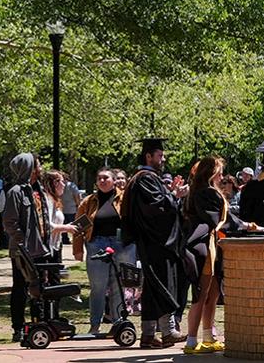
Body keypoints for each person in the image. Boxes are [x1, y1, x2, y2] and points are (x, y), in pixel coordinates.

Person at [182, 156, 260, 354]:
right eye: (220, 171)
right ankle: (191, 341)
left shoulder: (202, 191)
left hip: (213, 247)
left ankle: (208, 337)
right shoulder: (205, 193)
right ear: (212, 173)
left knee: (213, 292)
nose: (222, 175)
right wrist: (247, 226)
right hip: (205, 247)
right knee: (201, 293)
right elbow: (219, 220)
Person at [121, 137, 184, 349]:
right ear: (148, 156)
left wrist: (172, 194)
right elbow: (156, 208)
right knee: (162, 284)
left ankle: (148, 335)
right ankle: (168, 331)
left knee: (151, 288)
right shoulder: (145, 178)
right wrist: (174, 195)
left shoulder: (146, 178)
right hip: (156, 243)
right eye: (160, 155)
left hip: (152, 243)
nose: (163, 159)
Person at [74, 167, 137, 337]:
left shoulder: (125, 199)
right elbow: (79, 228)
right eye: (99, 178)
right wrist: (77, 249)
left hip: (121, 244)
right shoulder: (89, 202)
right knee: (98, 286)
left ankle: (117, 325)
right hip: (97, 244)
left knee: (119, 286)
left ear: (114, 180)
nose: (102, 181)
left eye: (106, 178)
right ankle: (95, 325)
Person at [2, 152, 52, 342]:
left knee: (40, 287)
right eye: (37, 165)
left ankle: (39, 323)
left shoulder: (39, 189)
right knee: (21, 288)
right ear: (29, 168)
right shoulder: (15, 192)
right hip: (22, 250)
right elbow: (9, 222)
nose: (40, 169)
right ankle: (18, 327)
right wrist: (23, 241)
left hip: (41, 249)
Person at [41, 171, 80, 271]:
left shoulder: (55, 200)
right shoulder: (46, 200)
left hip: (56, 246)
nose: (64, 185)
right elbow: (47, 226)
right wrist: (67, 228)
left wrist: (68, 226)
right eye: (62, 182)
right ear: (54, 183)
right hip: (47, 249)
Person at [61, 176, 82, 246]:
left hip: (63, 209)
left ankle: (65, 240)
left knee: (64, 226)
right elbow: (77, 196)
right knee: (75, 226)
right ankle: (76, 240)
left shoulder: (60, 185)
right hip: (72, 209)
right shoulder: (72, 185)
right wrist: (78, 205)